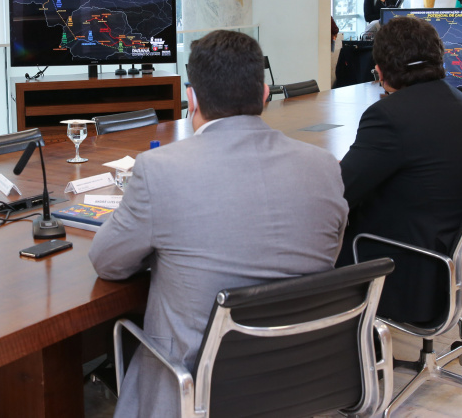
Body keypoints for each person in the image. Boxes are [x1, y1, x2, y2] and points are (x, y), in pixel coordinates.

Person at [89, 30, 348, 418]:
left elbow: (107, 262)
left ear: (191, 98)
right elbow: (330, 251)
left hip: (199, 387)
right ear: (265, 93)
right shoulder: (324, 166)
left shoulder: (160, 170)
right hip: (300, 376)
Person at [337, 16, 462, 323]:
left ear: (381, 70)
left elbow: (340, 192)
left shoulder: (388, 116)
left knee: (323, 227)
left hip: (419, 270)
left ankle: (328, 338)